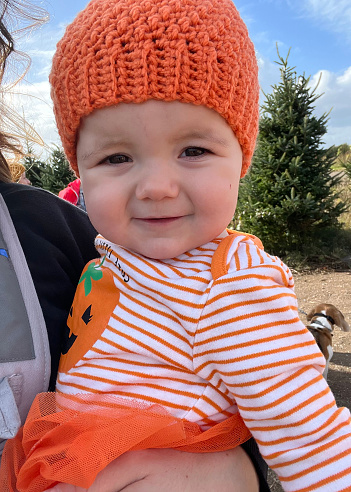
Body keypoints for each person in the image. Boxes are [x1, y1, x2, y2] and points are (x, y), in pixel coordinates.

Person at [3, 0, 351, 491]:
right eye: (118, 156)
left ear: (241, 158)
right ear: (80, 171)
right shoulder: (109, 256)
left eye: (194, 151)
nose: (157, 187)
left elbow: (313, 444)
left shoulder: (231, 288)